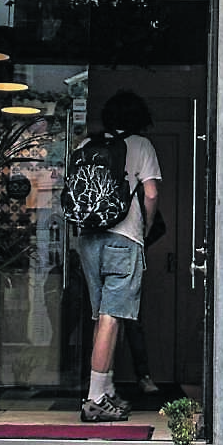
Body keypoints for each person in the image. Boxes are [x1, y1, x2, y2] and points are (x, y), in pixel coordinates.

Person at [76, 89, 161, 422]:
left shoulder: (86, 145)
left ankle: (107, 390)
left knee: (101, 316)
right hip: (124, 238)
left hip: (88, 240)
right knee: (113, 316)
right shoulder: (141, 145)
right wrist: (147, 225)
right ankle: (95, 397)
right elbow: (151, 193)